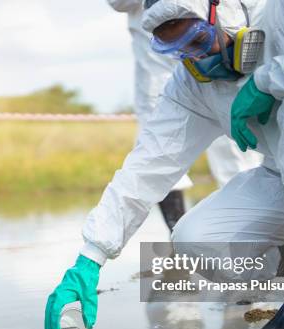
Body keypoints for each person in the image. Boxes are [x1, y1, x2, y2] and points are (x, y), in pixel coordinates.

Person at [45, 0, 284, 329]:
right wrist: (91, 255)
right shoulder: (192, 86)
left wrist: (271, 80)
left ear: (224, 12)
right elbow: (147, 164)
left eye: (197, 41)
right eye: (178, 50)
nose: (196, 60)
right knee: (198, 241)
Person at [106, 0, 261, 231]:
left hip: (216, 53)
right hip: (157, 70)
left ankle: (252, 233)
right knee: (155, 155)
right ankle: (178, 236)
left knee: (235, 153)